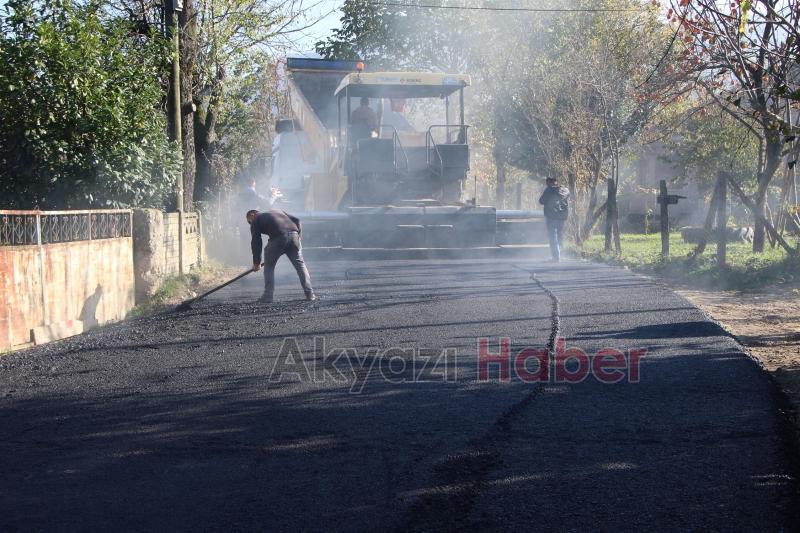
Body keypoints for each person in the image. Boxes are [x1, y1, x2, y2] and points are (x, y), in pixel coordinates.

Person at [246, 209, 315, 303]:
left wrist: (256, 262)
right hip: (294, 236)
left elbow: (256, 241)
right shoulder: (277, 211)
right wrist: (298, 239)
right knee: (300, 265)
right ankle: (310, 294)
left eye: (249, 222)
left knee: (269, 267)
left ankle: (268, 296)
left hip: (279, 238)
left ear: (252, 214)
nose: (251, 224)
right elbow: (298, 220)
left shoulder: (256, 219)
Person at [539, 177, 570, 262]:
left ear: (549, 182)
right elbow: (567, 197)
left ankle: (556, 257)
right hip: (562, 216)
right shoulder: (564, 189)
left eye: (547, 183)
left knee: (553, 236)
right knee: (560, 235)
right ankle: (562, 255)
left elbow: (541, 201)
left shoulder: (549, 190)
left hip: (551, 216)